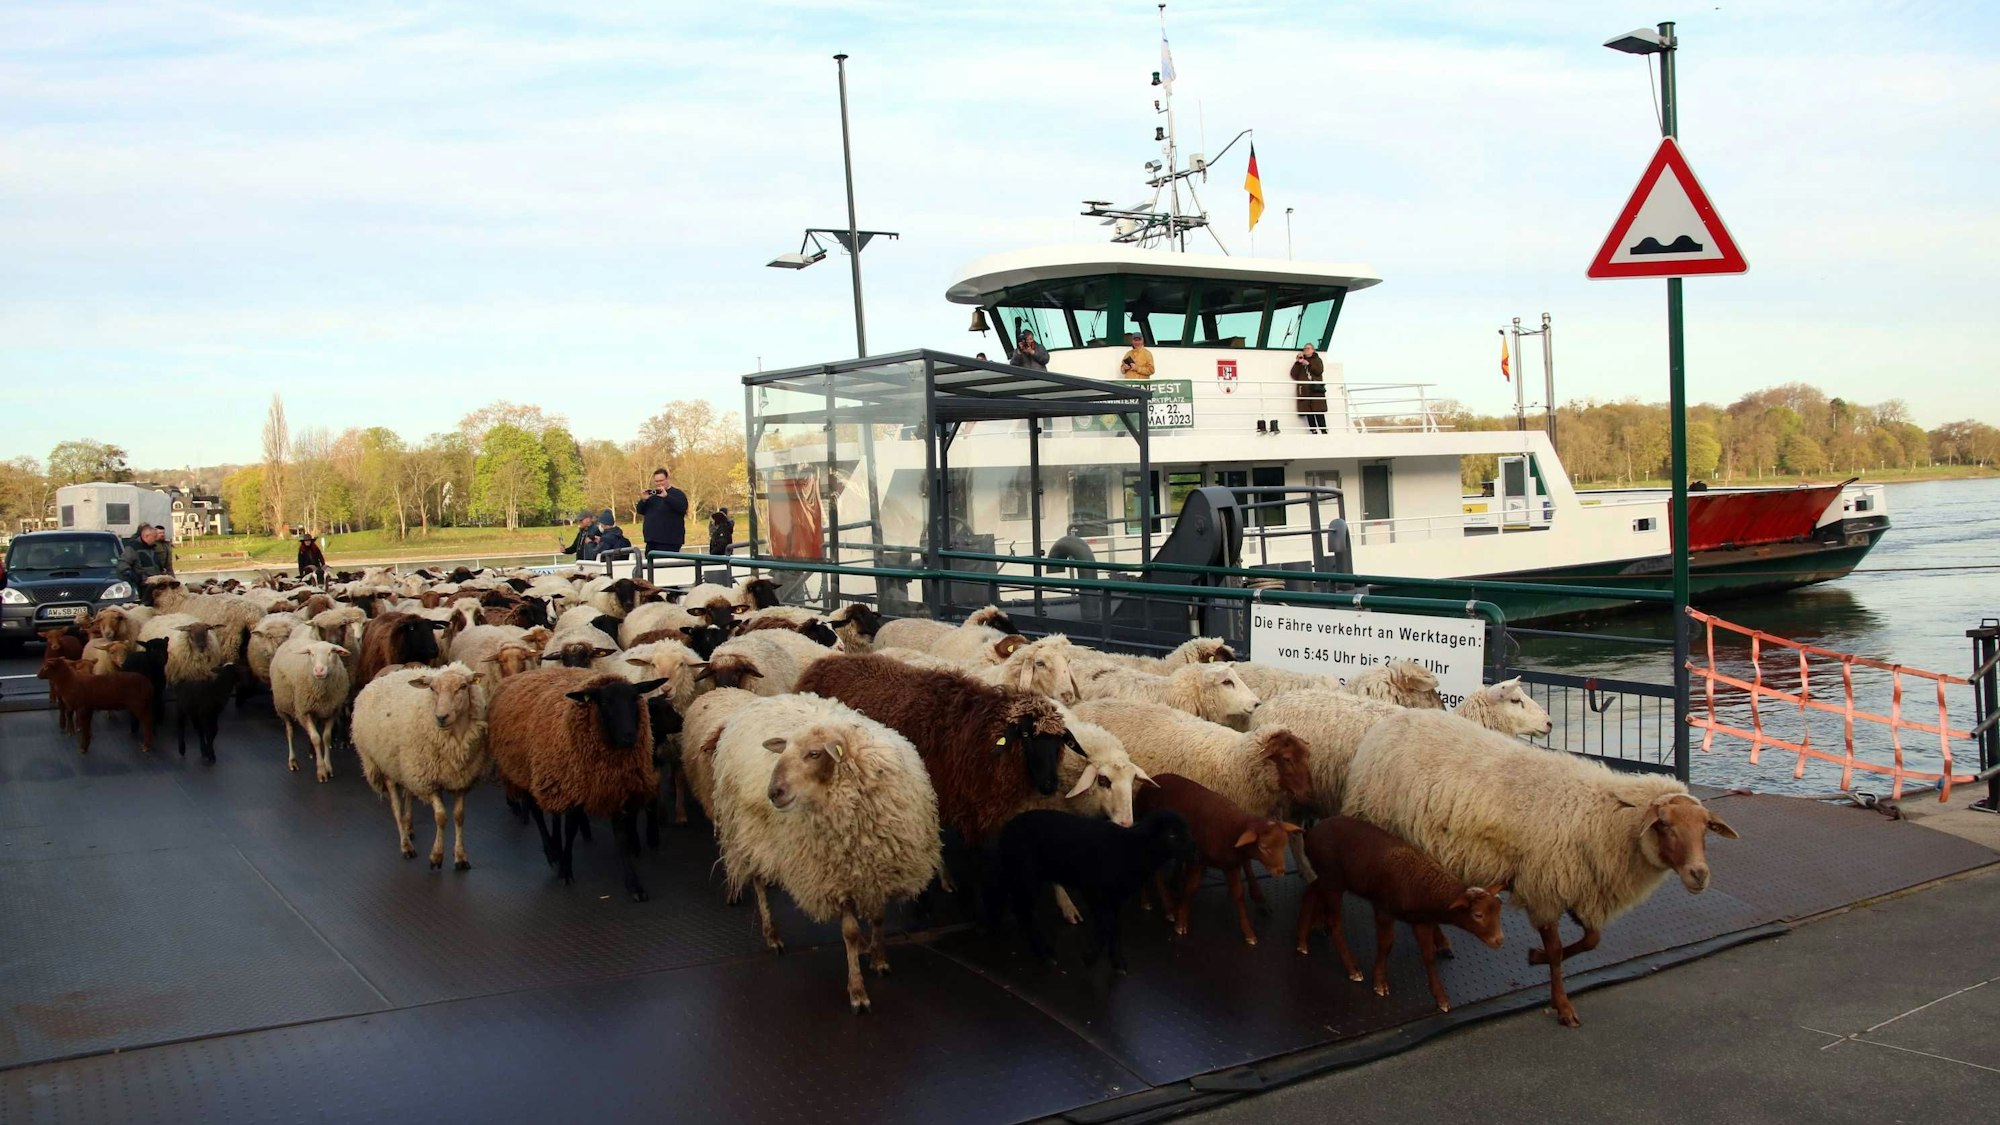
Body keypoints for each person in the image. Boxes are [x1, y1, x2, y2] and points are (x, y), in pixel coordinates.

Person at [635, 467, 687, 556]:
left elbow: (682, 508)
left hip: (670, 541)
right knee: (650, 567)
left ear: (667, 479)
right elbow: (640, 511)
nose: (659, 483)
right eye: (656, 481)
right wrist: (643, 500)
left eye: (661, 480)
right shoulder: (652, 496)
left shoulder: (678, 494)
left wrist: (666, 497)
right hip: (652, 541)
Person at [120, 523, 173, 604]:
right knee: (146, 607)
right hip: (144, 586)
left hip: (157, 584)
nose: (155, 539)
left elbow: (156, 563)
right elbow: (123, 564)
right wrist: (136, 577)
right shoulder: (132, 548)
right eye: (154, 537)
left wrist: (162, 571)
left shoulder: (152, 548)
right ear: (146, 536)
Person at [1290, 342, 1328, 435]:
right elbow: (1294, 374)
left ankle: (1323, 430)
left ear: (1313, 350)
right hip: (1305, 390)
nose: (1306, 350)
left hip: (1316, 389)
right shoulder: (1301, 361)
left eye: (1308, 348)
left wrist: (1308, 364)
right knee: (1308, 410)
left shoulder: (1317, 359)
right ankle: (1313, 430)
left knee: (1318, 410)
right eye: (1304, 349)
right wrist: (1298, 363)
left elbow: (1319, 371)